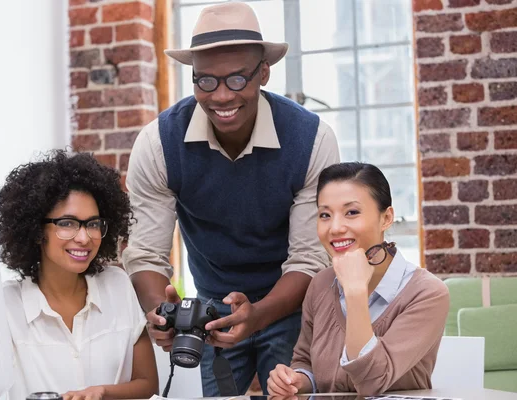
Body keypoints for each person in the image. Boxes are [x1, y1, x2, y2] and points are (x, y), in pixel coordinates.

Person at [123, 2, 339, 396]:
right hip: (211, 307)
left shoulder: (312, 140)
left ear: (264, 73)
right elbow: (146, 254)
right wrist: (162, 314)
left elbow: (310, 257)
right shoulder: (157, 144)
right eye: (205, 81)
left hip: (293, 303)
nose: (221, 96)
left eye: (237, 80)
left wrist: (259, 315)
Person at [267, 162, 450, 396]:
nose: (335, 228)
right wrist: (294, 380)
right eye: (325, 215)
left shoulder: (427, 293)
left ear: (386, 218)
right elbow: (305, 362)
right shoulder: (321, 284)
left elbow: (372, 382)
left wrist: (355, 292)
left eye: (351, 212)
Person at [0, 150, 158, 400]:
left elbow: (147, 385)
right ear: (38, 231)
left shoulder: (117, 285)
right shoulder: (5, 306)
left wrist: (101, 393)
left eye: (92, 224)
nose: (84, 238)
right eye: (67, 223)